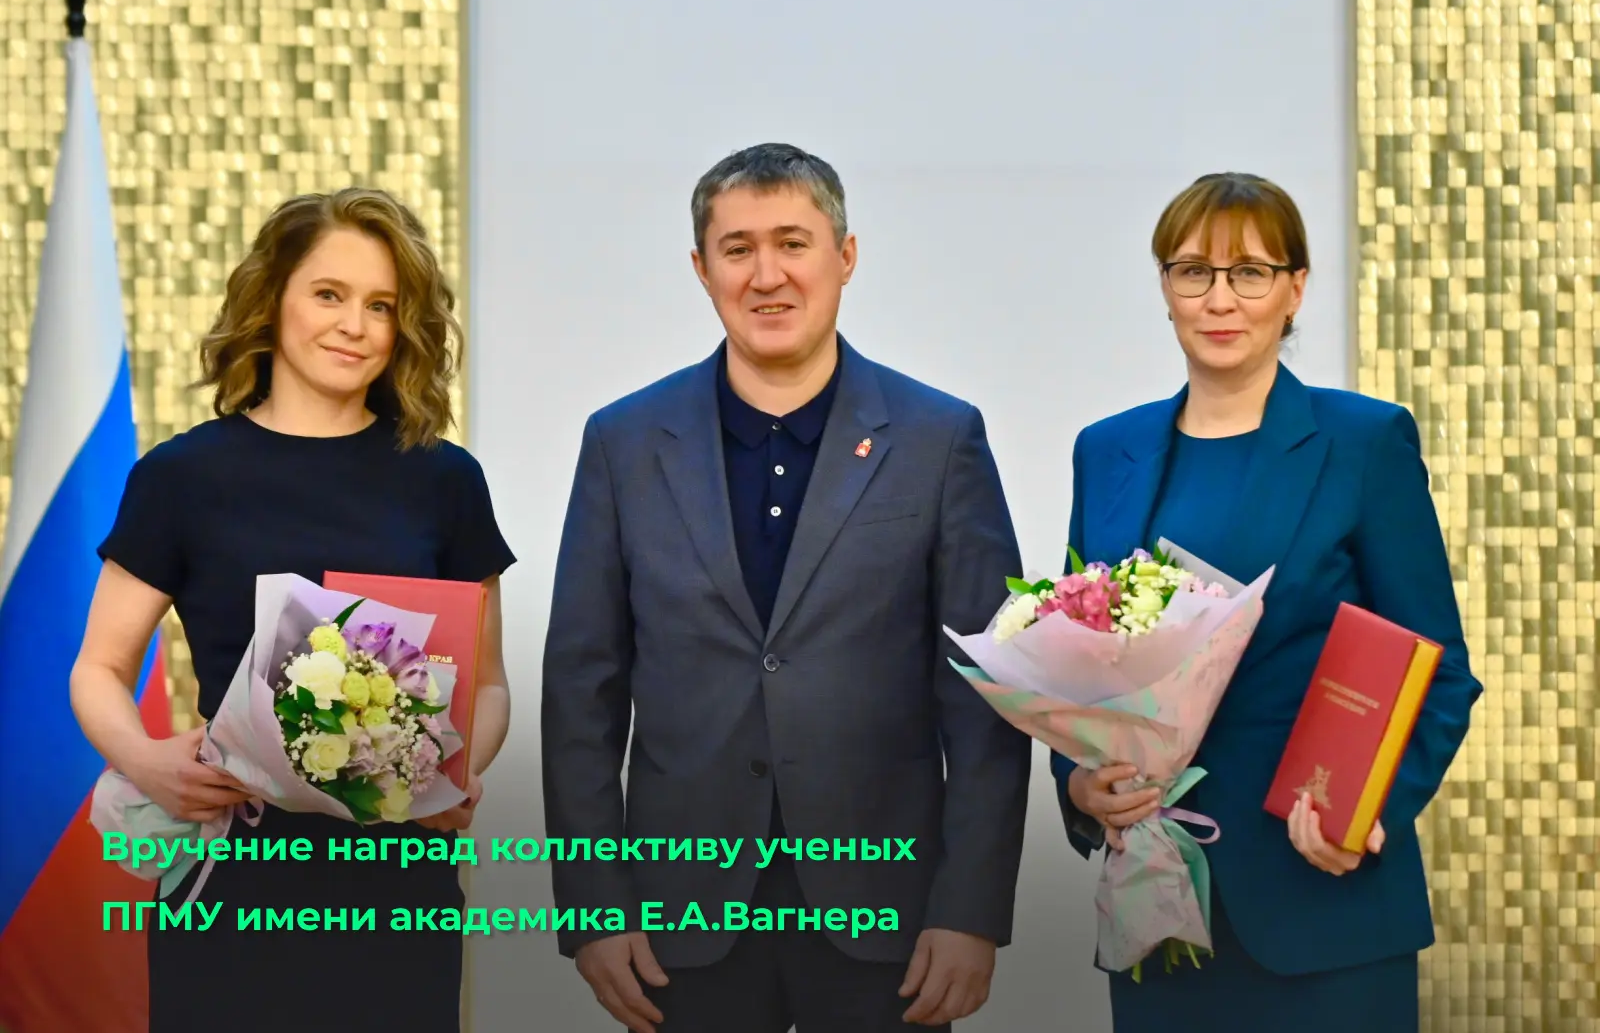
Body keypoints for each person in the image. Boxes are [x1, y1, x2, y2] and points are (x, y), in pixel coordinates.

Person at [541, 142, 1031, 1033]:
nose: (766, 275)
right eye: (738, 249)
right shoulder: (624, 443)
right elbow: (582, 693)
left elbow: (986, 695)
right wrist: (592, 908)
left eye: (793, 244)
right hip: (679, 917)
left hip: (889, 914)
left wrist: (970, 909)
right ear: (702, 269)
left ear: (845, 256)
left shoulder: (939, 439)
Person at [68, 188, 516, 1032]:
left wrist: (455, 780)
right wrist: (147, 761)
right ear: (272, 298)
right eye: (329, 294)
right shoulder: (182, 476)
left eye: (381, 305)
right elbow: (98, 667)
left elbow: (486, 687)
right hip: (231, 879)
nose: (355, 325)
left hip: (397, 889)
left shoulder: (446, 480)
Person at [1051, 172, 1482, 1031]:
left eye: (1249, 272)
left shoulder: (1363, 441)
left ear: (1296, 288)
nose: (1220, 299)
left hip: (1323, 902)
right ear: (1165, 288)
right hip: (1157, 906)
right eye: (1193, 272)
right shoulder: (1108, 449)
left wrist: (1369, 813)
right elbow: (1075, 661)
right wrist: (1080, 785)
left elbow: (1441, 672)